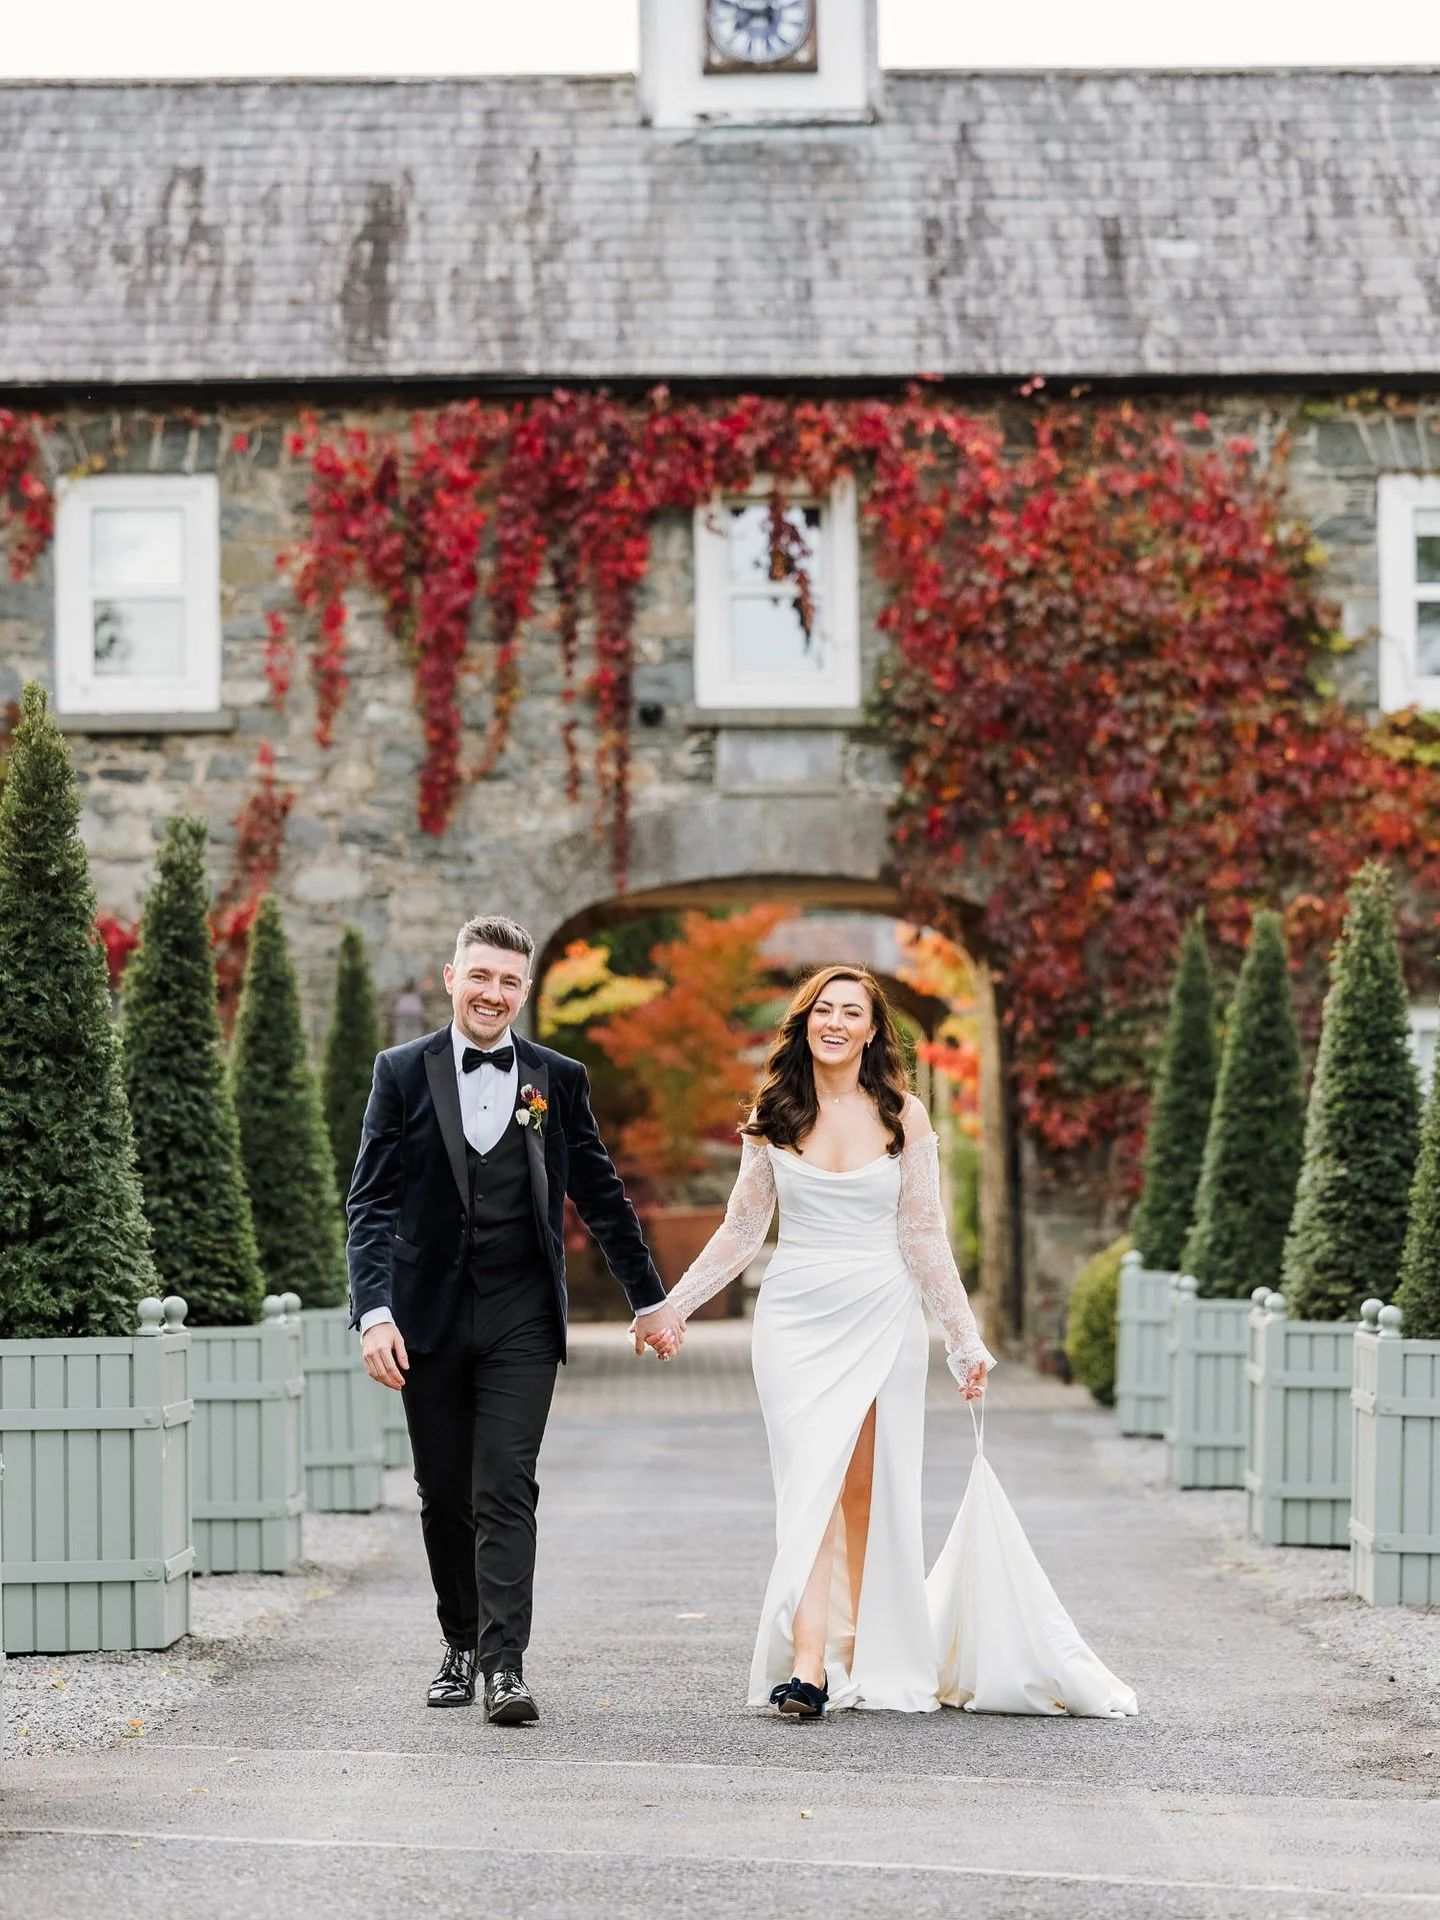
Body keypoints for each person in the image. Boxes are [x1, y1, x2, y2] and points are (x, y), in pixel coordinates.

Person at [348, 914, 684, 1725]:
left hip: (522, 1313)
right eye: (481, 977)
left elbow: (600, 1194)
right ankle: (459, 1642)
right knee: (444, 1495)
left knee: (505, 1485)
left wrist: (649, 1297)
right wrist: (374, 1312)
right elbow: (370, 1202)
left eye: (508, 982)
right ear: (451, 977)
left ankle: (505, 1667)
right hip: (426, 1315)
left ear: (524, 992)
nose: (493, 993)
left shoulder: (556, 1079)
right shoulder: (401, 1072)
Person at [635, 963, 994, 1717]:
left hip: (879, 1314)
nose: (834, 1022)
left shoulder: (906, 1115)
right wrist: (673, 1307)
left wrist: (965, 1341)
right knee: (809, 1483)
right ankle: (808, 1666)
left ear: (872, 1029)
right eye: (822, 1010)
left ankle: (856, 1647)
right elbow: (740, 1232)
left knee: (860, 1491)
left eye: (850, 1012)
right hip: (793, 1319)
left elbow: (924, 1237)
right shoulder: (773, 1113)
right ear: (804, 1024)